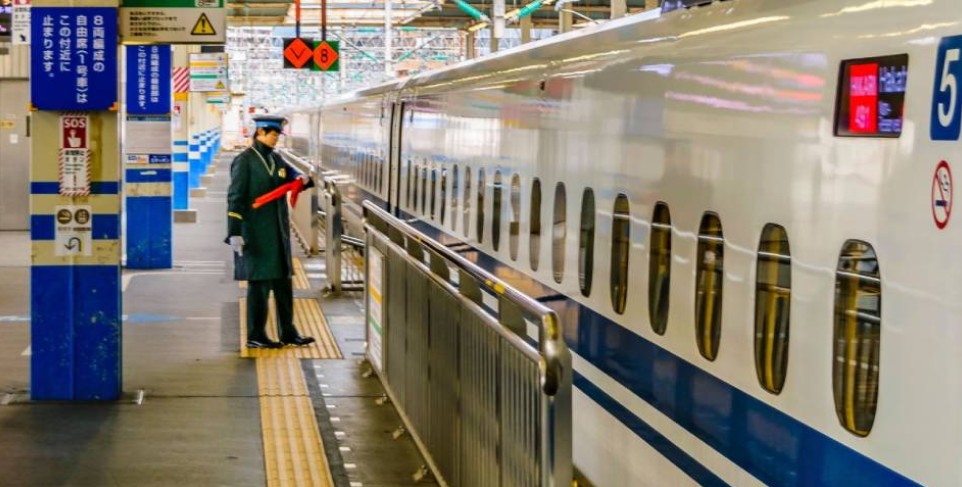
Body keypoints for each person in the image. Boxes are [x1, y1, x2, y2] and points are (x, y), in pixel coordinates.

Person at [226, 115, 316, 349]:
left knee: (284, 284)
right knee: (259, 285)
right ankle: (256, 335)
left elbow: (294, 176)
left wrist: (303, 180)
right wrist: (234, 231)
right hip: (255, 233)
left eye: (278, 135)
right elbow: (235, 198)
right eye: (273, 134)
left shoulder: (276, 158)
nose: (276, 139)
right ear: (260, 133)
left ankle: (288, 332)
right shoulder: (244, 161)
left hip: (278, 233)